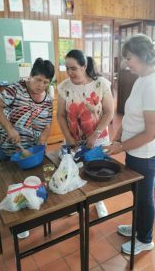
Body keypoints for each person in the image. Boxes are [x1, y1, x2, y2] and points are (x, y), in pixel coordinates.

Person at [105, 34, 155, 255]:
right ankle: (138, 227)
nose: (126, 63)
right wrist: (118, 137)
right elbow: (131, 116)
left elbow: (153, 132)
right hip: (135, 149)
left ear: (142, 56)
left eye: (129, 57)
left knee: (144, 197)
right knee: (138, 193)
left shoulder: (154, 84)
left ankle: (145, 239)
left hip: (147, 153)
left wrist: (121, 147)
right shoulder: (142, 78)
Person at [0, 58, 54, 238]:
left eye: (46, 82)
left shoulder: (48, 99)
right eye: (38, 80)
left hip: (33, 151)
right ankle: (18, 222)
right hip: (9, 149)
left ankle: (30, 213)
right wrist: (9, 128)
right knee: (12, 184)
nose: (41, 85)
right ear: (30, 76)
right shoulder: (15, 90)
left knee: (31, 182)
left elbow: (48, 124)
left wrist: (43, 137)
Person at [57, 50, 114, 218]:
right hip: (73, 139)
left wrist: (95, 135)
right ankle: (77, 201)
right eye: (67, 68)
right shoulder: (64, 86)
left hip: (98, 137)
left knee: (96, 170)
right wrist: (68, 137)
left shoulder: (100, 84)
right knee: (75, 170)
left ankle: (99, 201)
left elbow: (109, 112)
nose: (70, 73)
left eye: (74, 68)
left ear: (84, 66)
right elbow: (60, 115)